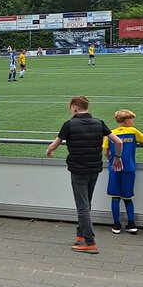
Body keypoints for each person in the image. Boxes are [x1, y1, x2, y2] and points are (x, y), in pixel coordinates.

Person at [45, 95, 122, 255]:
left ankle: (90, 242)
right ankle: (80, 235)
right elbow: (118, 142)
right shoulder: (99, 123)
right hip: (94, 168)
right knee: (86, 203)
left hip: (78, 169)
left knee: (82, 206)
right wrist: (117, 158)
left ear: (74, 107)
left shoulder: (69, 124)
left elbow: (55, 144)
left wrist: (49, 150)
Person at [104, 109, 143, 235]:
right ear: (126, 121)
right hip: (129, 168)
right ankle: (131, 223)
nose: (133, 121)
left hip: (114, 169)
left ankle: (116, 224)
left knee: (115, 197)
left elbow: (105, 151)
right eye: (132, 119)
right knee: (127, 197)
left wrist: (110, 159)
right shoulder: (133, 131)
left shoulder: (110, 133)